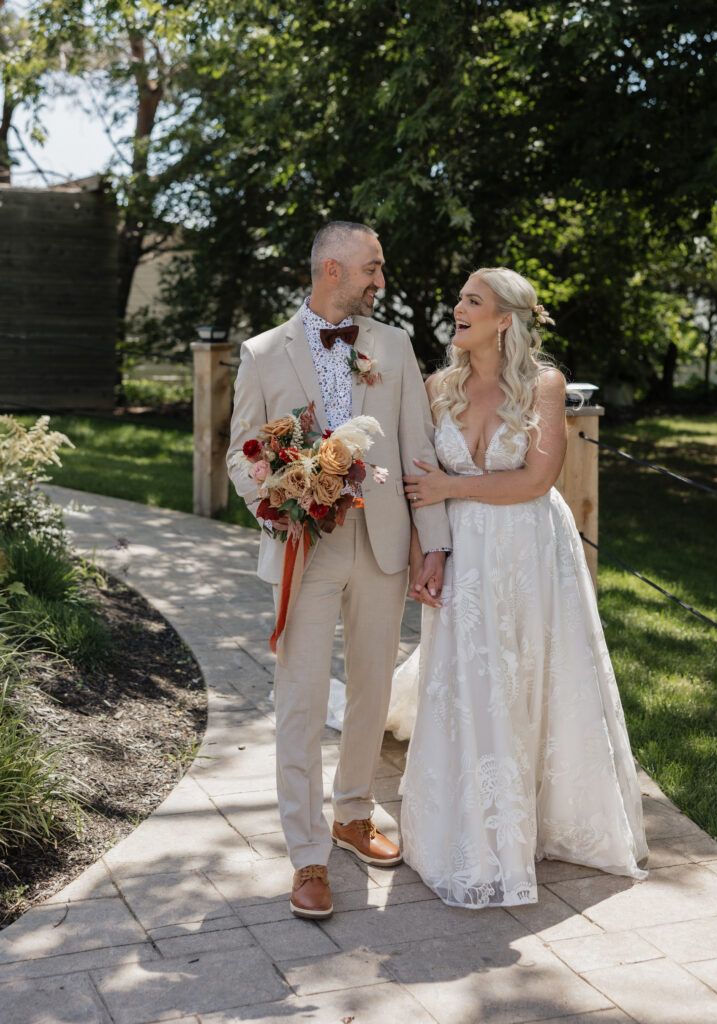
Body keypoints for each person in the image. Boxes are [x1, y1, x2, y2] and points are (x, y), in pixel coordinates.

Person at [391, 266, 648, 908]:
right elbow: (418, 485)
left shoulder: (544, 386)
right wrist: (429, 554)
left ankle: (544, 816)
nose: (457, 308)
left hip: (529, 553)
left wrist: (454, 487)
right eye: (458, 298)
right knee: (469, 683)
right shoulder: (436, 387)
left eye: (471, 301)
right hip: (463, 557)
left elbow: (537, 481)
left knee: (530, 675)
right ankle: (467, 828)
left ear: (505, 319)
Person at [226, 222, 451, 920]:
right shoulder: (262, 353)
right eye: (370, 269)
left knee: (371, 690)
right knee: (297, 699)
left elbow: (417, 449)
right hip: (304, 548)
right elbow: (241, 452)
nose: (378, 282)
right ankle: (307, 855)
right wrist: (278, 494)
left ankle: (353, 815)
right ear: (331, 268)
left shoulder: (392, 345)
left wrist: (432, 545)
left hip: (383, 546)